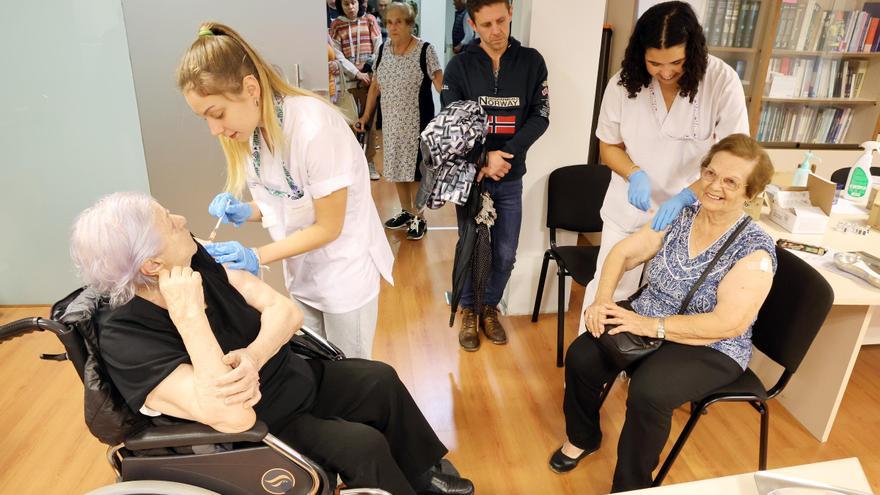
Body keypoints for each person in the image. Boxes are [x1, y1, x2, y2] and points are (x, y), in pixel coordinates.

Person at [69, 192, 475, 495]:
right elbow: (234, 418)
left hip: (289, 375)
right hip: (266, 421)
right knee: (362, 446)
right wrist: (189, 317)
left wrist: (255, 353)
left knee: (379, 380)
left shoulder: (191, 260)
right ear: (151, 265)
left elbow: (284, 311)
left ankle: (422, 476)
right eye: (169, 223)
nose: (180, 218)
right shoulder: (125, 335)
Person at [549, 135, 776, 492]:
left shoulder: (755, 251)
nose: (715, 186)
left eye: (731, 182)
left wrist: (648, 324)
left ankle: (631, 486)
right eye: (710, 173)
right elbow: (623, 252)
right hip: (650, 313)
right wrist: (603, 300)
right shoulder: (681, 214)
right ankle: (584, 436)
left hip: (711, 345)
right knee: (582, 355)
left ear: (750, 194)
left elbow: (727, 323)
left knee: (649, 391)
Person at [176, 23, 393, 360]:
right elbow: (284, 200)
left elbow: (328, 226)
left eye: (216, 113)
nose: (214, 129)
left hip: (344, 273)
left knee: (352, 376)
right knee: (316, 366)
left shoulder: (314, 128)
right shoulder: (252, 133)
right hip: (303, 275)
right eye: (204, 118)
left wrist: (256, 256)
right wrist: (246, 210)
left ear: (250, 88)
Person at [577, 1, 749, 336]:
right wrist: (633, 173)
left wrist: (686, 196)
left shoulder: (720, 81)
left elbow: (734, 157)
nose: (665, 72)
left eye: (676, 62)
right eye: (655, 63)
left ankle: (636, 370)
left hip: (690, 214)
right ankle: (587, 371)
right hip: (629, 207)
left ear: (694, 52)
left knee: (666, 301)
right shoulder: (623, 84)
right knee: (609, 292)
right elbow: (608, 145)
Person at [441, 0, 549, 351]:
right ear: (472, 24)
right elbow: (451, 122)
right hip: (472, 178)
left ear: (511, 14)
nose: (496, 31)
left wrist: (508, 153)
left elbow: (540, 115)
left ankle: (490, 307)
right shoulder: (459, 66)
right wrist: (484, 156)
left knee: (505, 252)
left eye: (501, 21)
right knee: (471, 246)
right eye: (486, 24)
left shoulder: (532, 62)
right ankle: (469, 311)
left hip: (511, 176)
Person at [357, 2, 443, 241]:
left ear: (410, 24)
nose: (393, 27)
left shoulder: (425, 50)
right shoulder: (384, 50)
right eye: (389, 22)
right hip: (392, 125)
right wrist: (365, 116)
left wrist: (455, 101)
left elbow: (440, 84)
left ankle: (419, 218)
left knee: (415, 174)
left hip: (417, 125)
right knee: (396, 171)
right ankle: (407, 212)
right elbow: (375, 85)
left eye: (398, 22)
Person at [329, 0, 383, 180]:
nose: (351, 7)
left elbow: (379, 48)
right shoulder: (336, 25)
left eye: (353, 3)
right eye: (346, 4)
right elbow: (338, 54)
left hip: (370, 81)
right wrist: (355, 72)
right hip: (348, 83)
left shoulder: (370, 20)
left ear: (360, 3)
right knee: (350, 123)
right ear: (340, 5)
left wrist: (367, 68)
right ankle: (352, 164)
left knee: (370, 124)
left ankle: (369, 163)